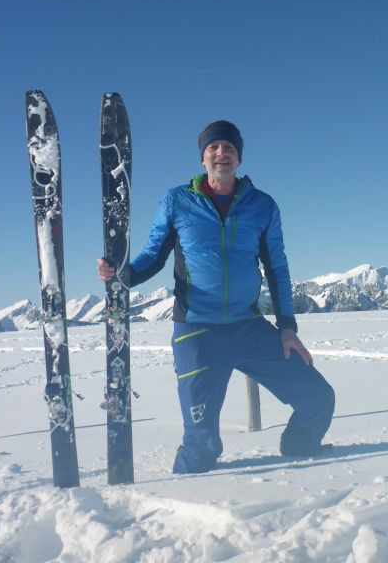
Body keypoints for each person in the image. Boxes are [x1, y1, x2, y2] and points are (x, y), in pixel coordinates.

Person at [97, 120, 335, 474]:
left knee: (318, 398)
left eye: (229, 147)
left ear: (239, 157)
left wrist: (287, 327)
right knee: (201, 444)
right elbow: (154, 256)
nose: (221, 153)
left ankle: (300, 453)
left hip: (248, 328)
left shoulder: (263, 205)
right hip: (197, 333)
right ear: (203, 158)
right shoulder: (177, 201)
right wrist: (121, 274)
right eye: (213, 147)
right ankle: (186, 496)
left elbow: (277, 268)